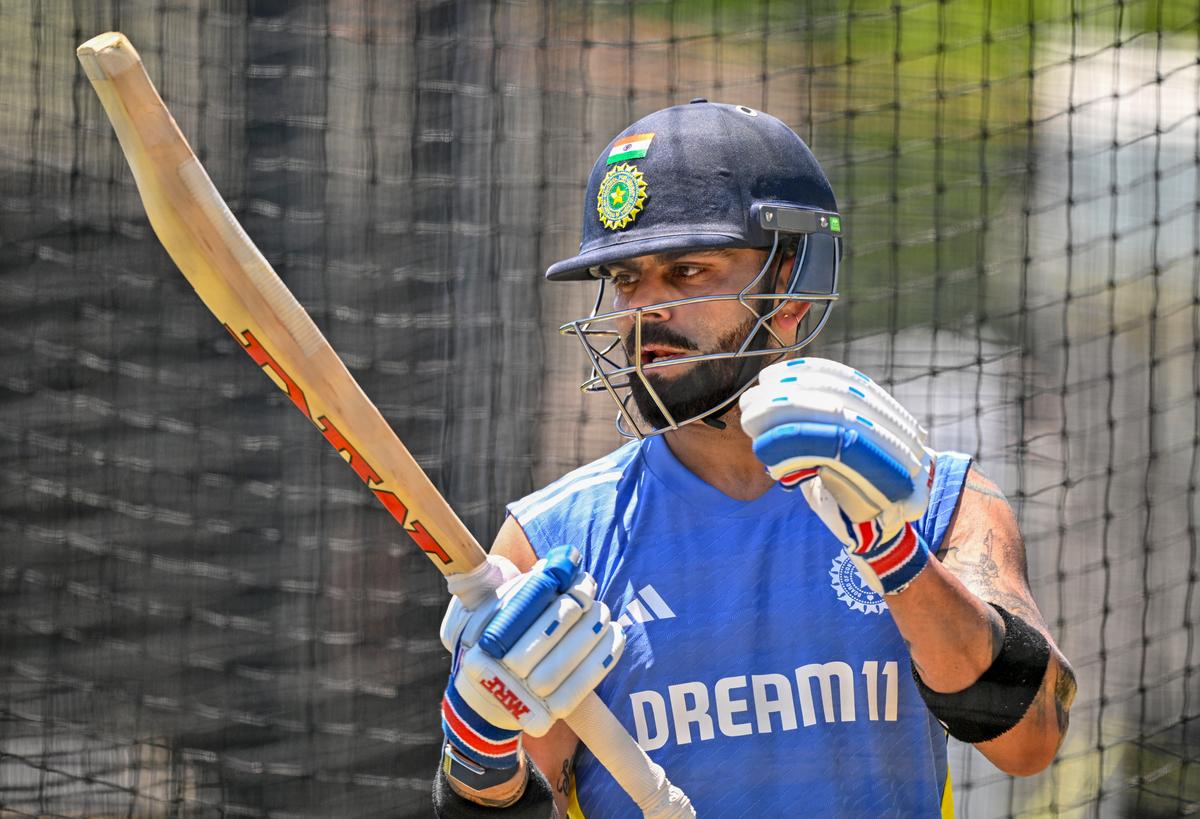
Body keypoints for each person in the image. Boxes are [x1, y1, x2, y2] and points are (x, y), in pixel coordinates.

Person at [432, 100, 1076, 818]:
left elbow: (1031, 741)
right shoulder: (551, 541)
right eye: (625, 279)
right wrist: (478, 752)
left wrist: (892, 553)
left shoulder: (940, 496)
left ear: (792, 284)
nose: (644, 309)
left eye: (686, 270)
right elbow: (510, 795)